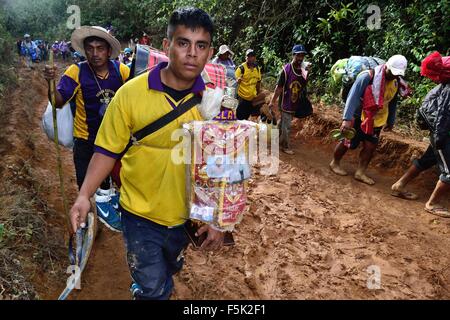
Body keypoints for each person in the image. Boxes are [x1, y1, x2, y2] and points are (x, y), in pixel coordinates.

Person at [69, 7, 225, 300]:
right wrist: (83, 194)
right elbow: (106, 150)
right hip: (138, 214)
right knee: (155, 289)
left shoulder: (216, 103)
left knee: (169, 268)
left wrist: (218, 220)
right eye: (183, 43)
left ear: (209, 52)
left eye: (201, 45)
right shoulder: (130, 94)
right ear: (167, 47)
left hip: (184, 217)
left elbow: (224, 168)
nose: (192, 53)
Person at [43, 26, 130, 231]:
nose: (95, 53)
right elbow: (57, 101)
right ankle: (89, 224)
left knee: (120, 182)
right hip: (86, 141)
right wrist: (50, 83)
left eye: (100, 48)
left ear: (109, 51)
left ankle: (115, 211)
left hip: (115, 141)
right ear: (84, 51)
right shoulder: (77, 72)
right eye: (90, 48)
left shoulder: (121, 72)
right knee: (86, 187)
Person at [329, 55, 408, 185]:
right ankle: (335, 163)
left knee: (370, 146)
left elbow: (393, 101)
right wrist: (347, 119)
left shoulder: (396, 82)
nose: (394, 75)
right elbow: (352, 97)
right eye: (392, 72)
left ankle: (360, 172)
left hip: (377, 119)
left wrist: (391, 120)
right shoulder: (367, 76)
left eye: (397, 74)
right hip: (359, 115)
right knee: (347, 141)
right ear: (387, 66)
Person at [392, 52, 450, 217]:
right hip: (441, 130)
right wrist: (439, 138)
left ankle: (399, 185)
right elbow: (443, 115)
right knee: (449, 171)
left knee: (428, 159)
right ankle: (432, 203)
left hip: (440, 127)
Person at [268, 44, 309, 155]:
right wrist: (273, 101)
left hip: (295, 102)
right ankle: (285, 146)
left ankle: (274, 139)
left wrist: (307, 72)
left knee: (283, 124)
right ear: (293, 55)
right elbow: (279, 87)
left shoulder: (303, 69)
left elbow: (304, 84)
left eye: (302, 56)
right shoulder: (286, 70)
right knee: (287, 126)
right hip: (286, 102)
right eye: (298, 56)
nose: (300, 58)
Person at [235, 49, 266, 120]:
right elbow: (236, 80)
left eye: (252, 56)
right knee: (241, 119)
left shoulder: (257, 68)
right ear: (245, 58)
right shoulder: (241, 68)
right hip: (243, 99)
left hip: (253, 99)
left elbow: (258, 82)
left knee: (253, 119)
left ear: (255, 58)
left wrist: (258, 94)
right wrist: (238, 80)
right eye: (248, 56)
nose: (250, 58)